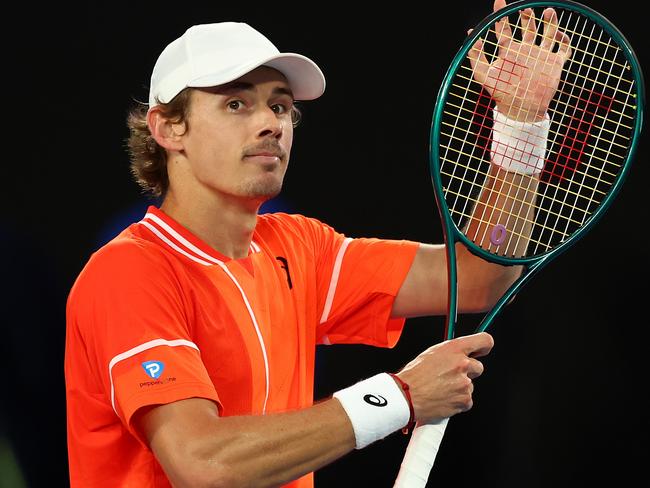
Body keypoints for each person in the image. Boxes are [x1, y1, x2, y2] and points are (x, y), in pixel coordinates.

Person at [65, 1, 570, 486]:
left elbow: (481, 275)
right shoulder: (129, 273)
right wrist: (399, 396)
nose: (270, 124)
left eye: (280, 106)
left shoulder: (299, 248)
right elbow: (205, 466)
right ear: (168, 127)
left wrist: (520, 126)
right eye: (236, 103)